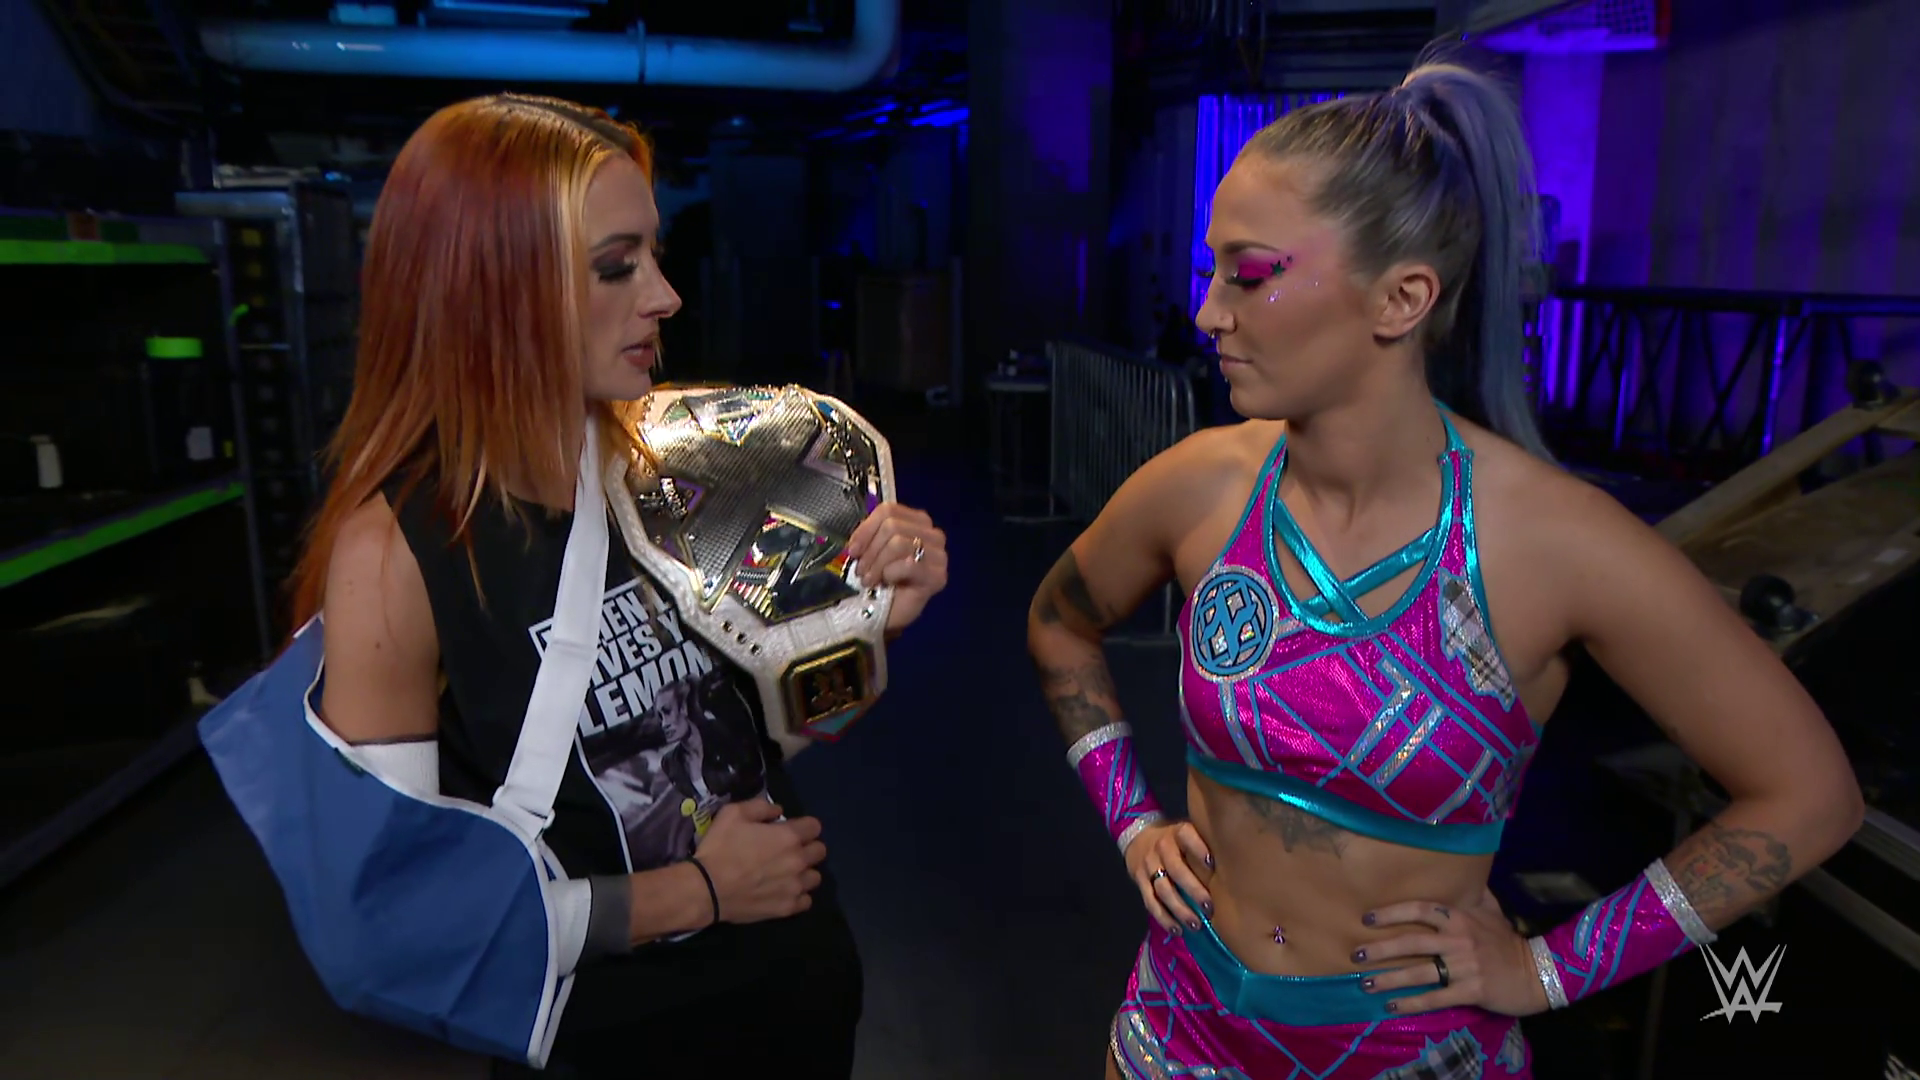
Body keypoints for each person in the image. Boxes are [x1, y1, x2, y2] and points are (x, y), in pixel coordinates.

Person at [1026, 56, 1863, 1080]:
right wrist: (1133, 824)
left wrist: (1550, 969)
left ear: (1402, 298)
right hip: (1178, 1034)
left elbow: (1809, 795)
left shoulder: (1556, 542)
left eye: (1249, 273)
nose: (1208, 313)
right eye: (1213, 272)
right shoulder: (1200, 486)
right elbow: (1060, 624)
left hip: (1411, 1057)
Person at [287, 94, 949, 1078]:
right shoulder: (396, 557)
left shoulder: (674, 460)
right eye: (616, 266)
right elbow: (393, 925)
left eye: (654, 255)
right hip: (615, 1036)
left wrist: (873, 629)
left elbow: (767, 737)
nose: (666, 296)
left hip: (797, 993)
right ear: (495, 290)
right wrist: (699, 895)